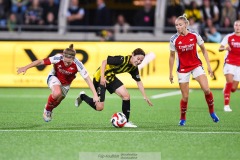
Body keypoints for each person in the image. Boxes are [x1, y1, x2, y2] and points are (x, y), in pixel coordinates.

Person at [17, 44, 99, 122]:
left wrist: (95, 94)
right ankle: (47, 110)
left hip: (66, 84)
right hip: (54, 77)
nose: (66, 64)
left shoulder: (78, 64)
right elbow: (40, 62)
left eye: (68, 62)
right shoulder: (57, 58)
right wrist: (26, 67)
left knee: (57, 102)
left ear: (73, 59)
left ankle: (50, 109)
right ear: (63, 56)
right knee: (57, 93)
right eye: (65, 61)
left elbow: (87, 79)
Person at [75, 48, 153, 128]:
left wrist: (145, 96)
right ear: (132, 55)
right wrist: (102, 77)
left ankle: (125, 121)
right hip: (100, 78)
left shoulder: (133, 68)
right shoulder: (121, 60)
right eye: (138, 59)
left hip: (111, 77)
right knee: (99, 107)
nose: (139, 62)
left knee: (126, 96)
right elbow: (104, 62)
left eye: (141, 61)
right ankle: (82, 96)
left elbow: (139, 82)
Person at [169, 14, 219, 126]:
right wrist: (170, 72)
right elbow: (172, 56)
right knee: (185, 97)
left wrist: (209, 66)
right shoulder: (173, 39)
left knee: (206, 89)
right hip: (182, 69)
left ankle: (212, 112)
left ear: (186, 24)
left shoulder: (194, 35)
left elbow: (204, 50)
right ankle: (182, 118)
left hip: (196, 65)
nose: (178, 27)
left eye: (180, 25)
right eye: (176, 25)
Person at [218, 20, 240, 112]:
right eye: (236, 25)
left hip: (238, 64)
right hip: (229, 62)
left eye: (239, 25)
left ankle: (226, 88)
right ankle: (226, 105)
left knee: (234, 88)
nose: (237, 27)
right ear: (234, 26)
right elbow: (220, 48)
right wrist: (225, 48)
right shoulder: (229, 37)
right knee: (230, 82)